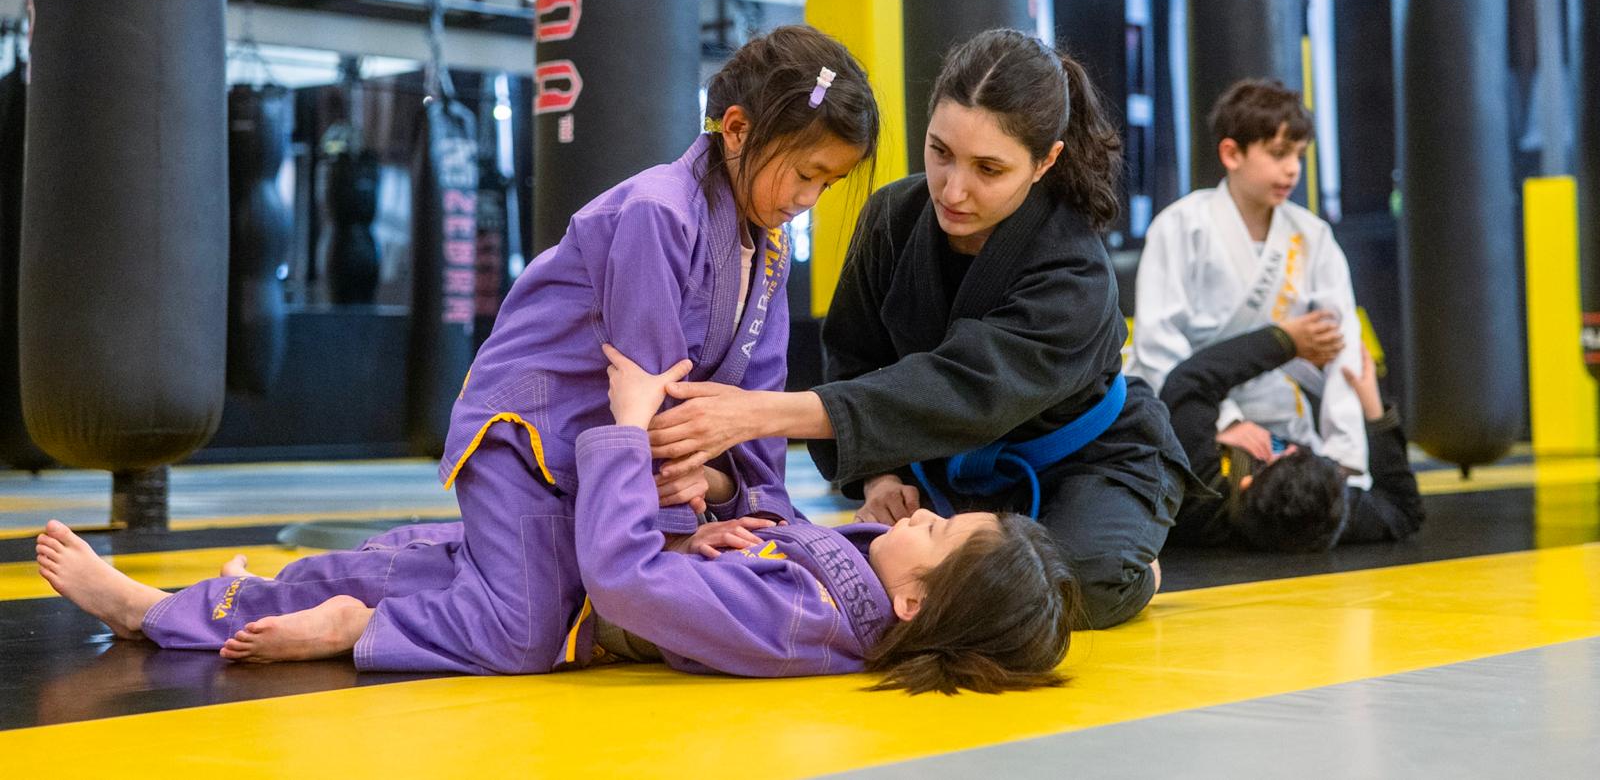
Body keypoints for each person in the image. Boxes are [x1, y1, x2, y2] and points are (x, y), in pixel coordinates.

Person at [33, 24, 880, 676]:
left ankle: (283, 590)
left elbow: (752, 419)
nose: (806, 200)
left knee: (531, 597)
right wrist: (670, 536)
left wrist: (733, 496)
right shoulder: (660, 216)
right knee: (524, 632)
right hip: (535, 437)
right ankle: (183, 614)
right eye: (803, 172)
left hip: (618, 461)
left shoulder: (765, 250)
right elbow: (645, 390)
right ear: (736, 128)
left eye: (827, 185)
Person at [35, 347, 1081, 695]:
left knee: (391, 569)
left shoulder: (807, 624)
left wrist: (628, 431)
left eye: (940, 534)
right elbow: (751, 556)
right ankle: (342, 622)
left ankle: (151, 608)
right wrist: (729, 511)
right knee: (385, 559)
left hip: (568, 601)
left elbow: (633, 586)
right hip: (561, 582)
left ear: (913, 600)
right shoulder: (848, 589)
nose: (928, 516)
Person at [648, 28, 1196, 630]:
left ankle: (1131, 560)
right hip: (950, 482)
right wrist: (881, 474)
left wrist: (761, 412)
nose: (953, 190)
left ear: (1046, 162)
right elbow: (854, 359)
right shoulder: (894, 217)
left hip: (1090, 458)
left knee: (1059, 592)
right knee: (910, 583)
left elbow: (956, 387)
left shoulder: (1075, 269)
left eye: (989, 169)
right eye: (940, 152)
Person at [1128, 78, 1371, 487]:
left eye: (1298, 155)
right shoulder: (1181, 227)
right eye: (1278, 154)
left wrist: (1344, 458)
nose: (1292, 168)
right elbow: (1156, 344)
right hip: (1181, 415)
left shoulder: (1312, 237)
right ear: (1231, 153)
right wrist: (1224, 420)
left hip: (1274, 414)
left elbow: (1340, 347)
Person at [1162, 330, 1424, 551]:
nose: (1275, 442)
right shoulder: (1326, 514)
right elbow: (1404, 509)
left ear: (1246, 482)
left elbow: (1188, 381)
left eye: (1277, 449)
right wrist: (1375, 411)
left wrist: (1285, 341)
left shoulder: (1198, 478)